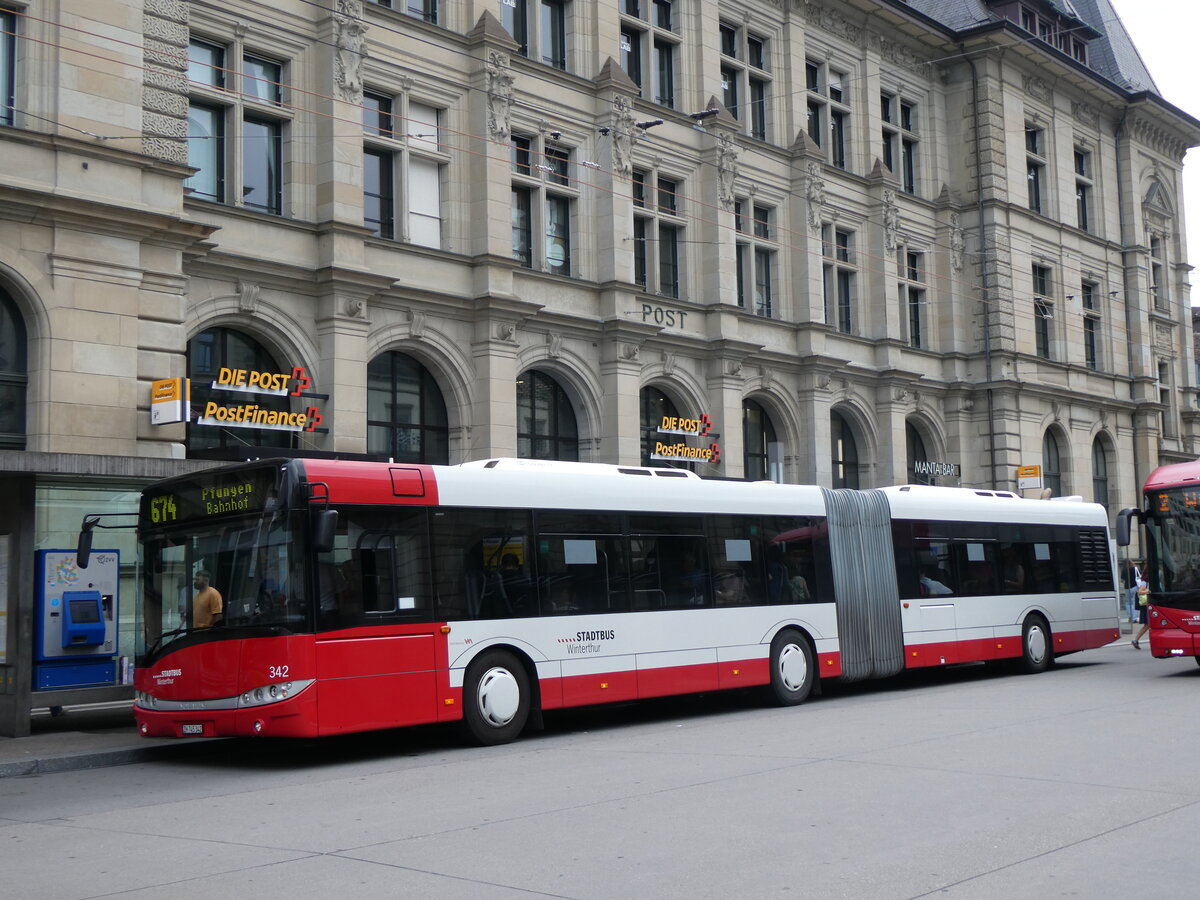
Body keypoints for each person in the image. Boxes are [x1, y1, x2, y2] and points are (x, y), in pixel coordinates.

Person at [1131, 574, 1150, 649]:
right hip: (1147, 606)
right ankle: (1135, 640)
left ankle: (1136, 640)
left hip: (1148, 606)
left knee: (1148, 625)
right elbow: (1140, 592)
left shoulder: (1147, 582)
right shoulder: (1145, 582)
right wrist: (1148, 591)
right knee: (1148, 625)